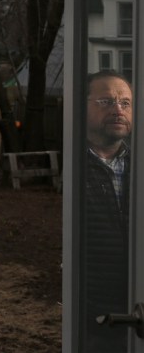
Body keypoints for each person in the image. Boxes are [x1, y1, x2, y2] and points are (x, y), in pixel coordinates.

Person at [83, 70, 132, 352]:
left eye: (125, 103)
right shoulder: (75, 166)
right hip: (93, 320)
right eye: (106, 102)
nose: (118, 110)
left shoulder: (137, 167)